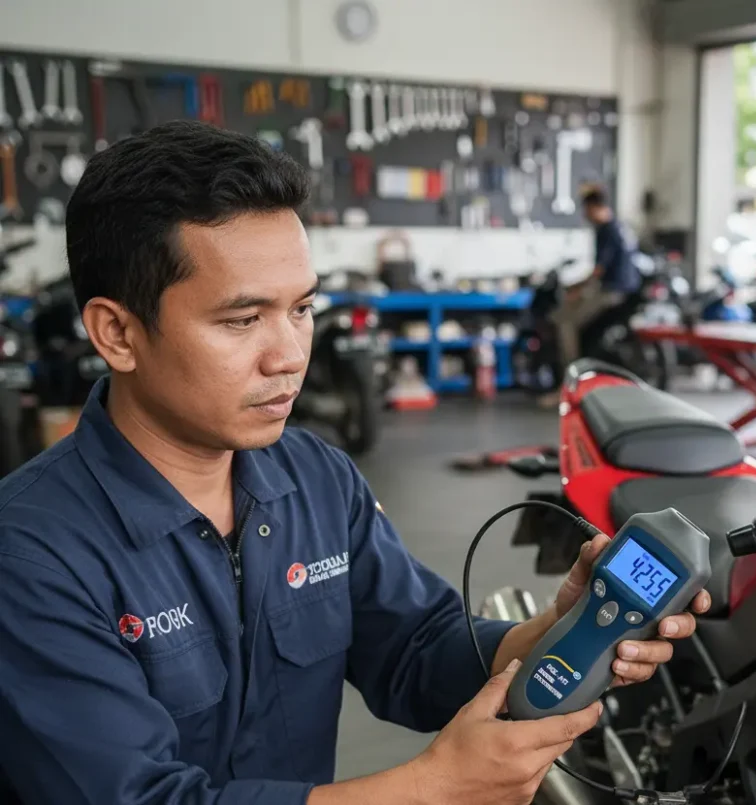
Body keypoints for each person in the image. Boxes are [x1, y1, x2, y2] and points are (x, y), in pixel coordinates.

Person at [0, 121, 710, 805]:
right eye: (243, 320)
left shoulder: (313, 477)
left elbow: (416, 648)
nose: (289, 356)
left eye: (302, 308)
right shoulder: (31, 551)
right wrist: (427, 791)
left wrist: (558, 633)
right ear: (117, 332)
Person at [541, 186, 642, 407]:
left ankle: (570, 385)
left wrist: (575, 288)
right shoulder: (621, 227)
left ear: (594, 207)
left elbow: (599, 271)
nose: (584, 214)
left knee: (565, 322)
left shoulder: (605, 230)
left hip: (611, 292)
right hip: (626, 291)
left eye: (585, 209)